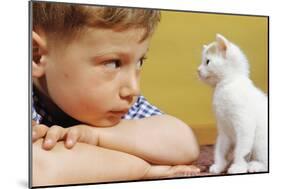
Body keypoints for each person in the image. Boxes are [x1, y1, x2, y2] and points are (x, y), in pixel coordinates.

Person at [31, 2, 200, 186]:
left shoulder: (116, 104)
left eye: (139, 62)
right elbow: (37, 168)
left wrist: (94, 136)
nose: (133, 89)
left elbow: (184, 144)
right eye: (112, 63)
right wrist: (144, 170)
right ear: (36, 55)